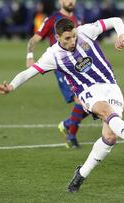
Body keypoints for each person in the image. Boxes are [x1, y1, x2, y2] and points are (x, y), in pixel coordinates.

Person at [0, 17, 124, 193]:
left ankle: (80, 175)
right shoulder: (52, 55)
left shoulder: (85, 31)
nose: (72, 41)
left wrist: (121, 35)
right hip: (87, 92)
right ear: (58, 37)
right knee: (106, 112)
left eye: (73, 36)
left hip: (111, 86)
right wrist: (11, 87)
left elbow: (115, 20)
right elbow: (30, 72)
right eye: (67, 38)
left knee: (110, 137)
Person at [26, 0, 86, 148]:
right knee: (80, 100)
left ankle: (67, 124)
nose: (71, 1)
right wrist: (29, 57)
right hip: (62, 68)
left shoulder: (78, 19)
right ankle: (71, 137)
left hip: (79, 66)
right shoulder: (52, 19)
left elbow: (83, 41)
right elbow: (34, 39)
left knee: (91, 102)